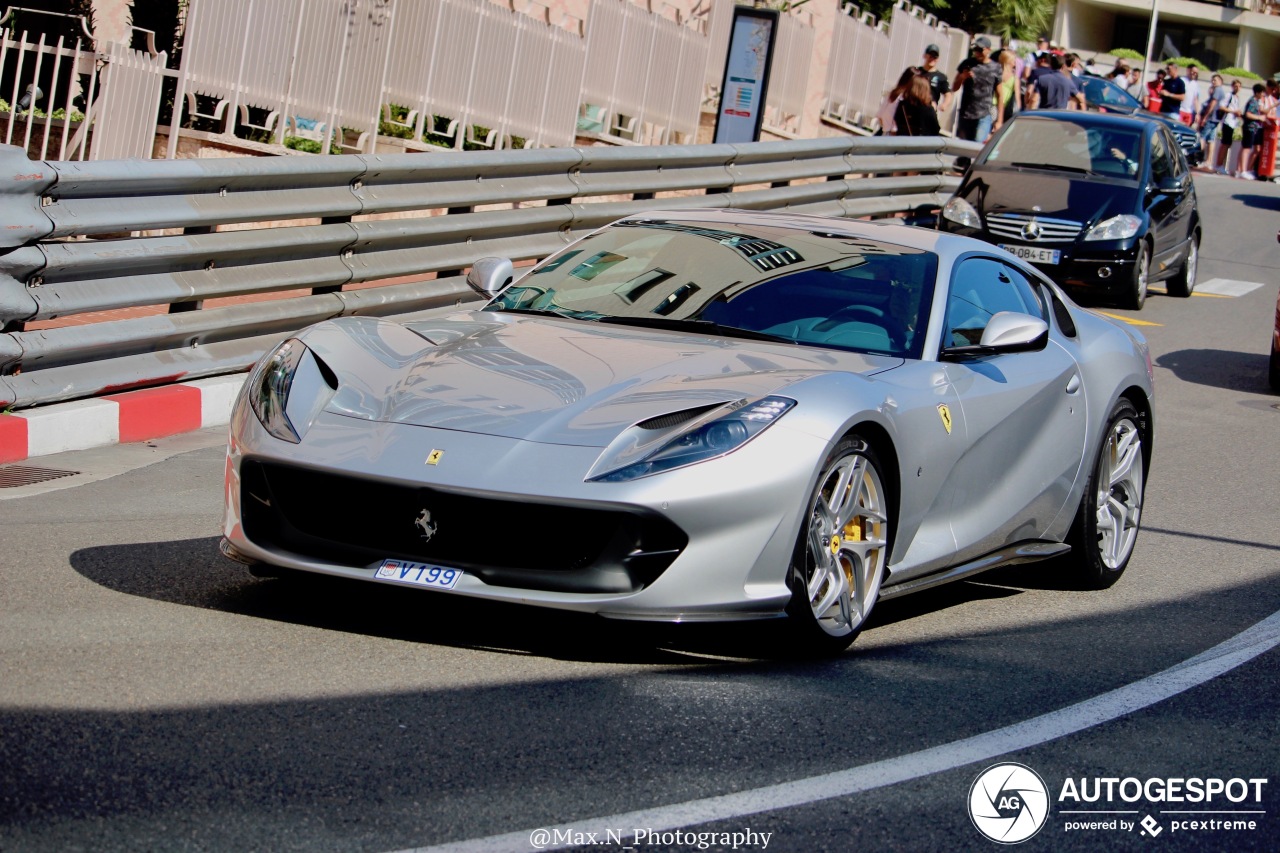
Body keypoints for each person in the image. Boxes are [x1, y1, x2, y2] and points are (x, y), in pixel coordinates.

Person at [954, 36, 1001, 142]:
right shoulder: (967, 64)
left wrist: (999, 120)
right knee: (963, 150)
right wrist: (962, 77)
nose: (977, 53)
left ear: (988, 50)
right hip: (966, 114)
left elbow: (1000, 94)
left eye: (980, 50)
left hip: (983, 115)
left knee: (977, 145)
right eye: (976, 50)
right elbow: (954, 87)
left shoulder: (995, 68)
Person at [877, 66, 920, 135]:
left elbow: (880, 115)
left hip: (886, 132)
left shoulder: (892, 93)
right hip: (894, 134)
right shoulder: (903, 98)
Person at [1238, 83, 1267, 180]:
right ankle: (1243, 171)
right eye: (1262, 92)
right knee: (1246, 148)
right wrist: (1259, 117)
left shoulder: (1256, 101)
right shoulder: (1253, 101)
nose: (1263, 94)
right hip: (1250, 127)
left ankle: (1242, 170)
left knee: (1246, 148)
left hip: (1252, 128)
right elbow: (1248, 114)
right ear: (1258, 92)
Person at [1198, 74, 1228, 166]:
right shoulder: (1220, 91)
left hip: (1211, 118)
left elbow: (1212, 104)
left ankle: (1199, 157)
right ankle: (1209, 160)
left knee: (1202, 137)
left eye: (1215, 80)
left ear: (1220, 81)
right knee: (1211, 139)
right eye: (1212, 80)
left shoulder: (1218, 90)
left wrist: (1205, 117)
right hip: (1215, 119)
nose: (1213, 82)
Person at [1216, 79, 1244, 175]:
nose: (1237, 88)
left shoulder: (1237, 97)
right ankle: (1218, 165)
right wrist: (1233, 112)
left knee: (1228, 144)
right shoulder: (1229, 95)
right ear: (1232, 86)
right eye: (1235, 86)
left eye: (1239, 86)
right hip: (1227, 121)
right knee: (1225, 144)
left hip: (1233, 123)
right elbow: (1221, 107)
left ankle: (1222, 165)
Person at [993, 49, 1021, 131]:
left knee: (991, 129)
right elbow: (1017, 98)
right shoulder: (1014, 78)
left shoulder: (996, 74)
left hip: (993, 104)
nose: (1015, 63)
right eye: (1014, 60)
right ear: (1009, 61)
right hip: (1006, 107)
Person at [920, 44, 952, 112]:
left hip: (929, 110)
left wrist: (944, 104)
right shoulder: (917, 72)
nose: (932, 59)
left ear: (938, 59)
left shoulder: (941, 77)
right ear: (925, 56)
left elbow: (948, 94)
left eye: (935, 57)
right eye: (930, 56)